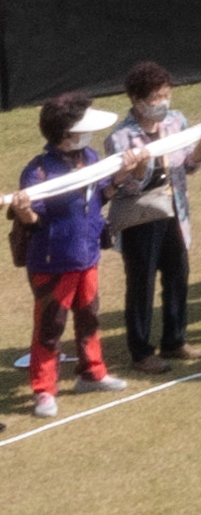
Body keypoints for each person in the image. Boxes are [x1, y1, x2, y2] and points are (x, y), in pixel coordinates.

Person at [17, 96, 122, 413]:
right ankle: (44, 390)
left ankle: (92, 372)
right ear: (65, 132)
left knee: (89, 317)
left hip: (87, 256)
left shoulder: (90, 156)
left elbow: (101, 194)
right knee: (50, 327)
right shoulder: (37, 171)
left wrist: (121, 177)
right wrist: (23, 211)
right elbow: (34, 221)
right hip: (53, 263)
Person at [101, 62, 201, 367]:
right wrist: (141, 168)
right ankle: (141, 351)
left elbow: (188, 166)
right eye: (155, 97)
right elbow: (126, 188)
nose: (162, 103)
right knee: (141, 283)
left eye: (165, 95)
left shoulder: (177, 122)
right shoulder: (120, 138)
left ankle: (175, 340)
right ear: (137, 100)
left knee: (177, 276)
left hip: (174, 211)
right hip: (140, 218)